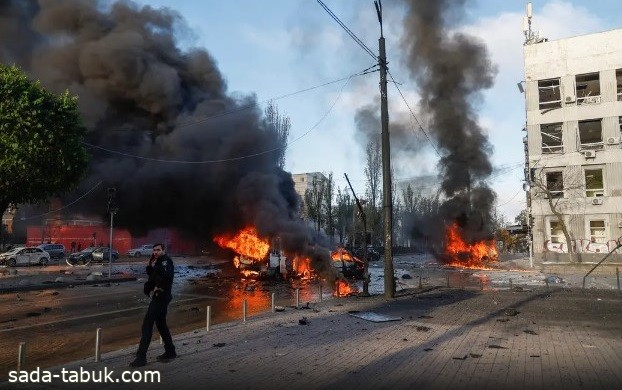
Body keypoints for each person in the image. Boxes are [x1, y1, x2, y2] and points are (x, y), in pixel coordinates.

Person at [129, 243, 177, 367]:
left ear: (163, 250)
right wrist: (150, 264)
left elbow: (168, 276)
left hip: (161, 297)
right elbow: (153, 276)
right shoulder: (158, 262)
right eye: (154, 250)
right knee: (161, 325)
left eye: (158, 250)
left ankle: (141, 357)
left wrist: (158, 287)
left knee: (147, 325)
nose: (155, 252)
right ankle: (170, 351)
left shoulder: (166, 261)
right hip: (160, 297)